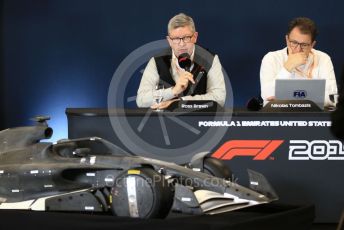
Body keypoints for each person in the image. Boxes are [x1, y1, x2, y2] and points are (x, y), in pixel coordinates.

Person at [136, 13, 226, 109]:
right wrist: (173, 91)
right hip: (164, 121)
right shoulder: (157, 61)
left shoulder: (209, 59)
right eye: (176, 39)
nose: (181, 44)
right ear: (169, 41)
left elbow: (219, 98)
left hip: (199, 119)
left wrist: (179, 102)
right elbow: (141, 100)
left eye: (186, 38)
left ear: (195, 37)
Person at [260, 17, 337, 107]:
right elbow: (266, 96)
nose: (298, 49)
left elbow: (332, 98)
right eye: (294, 42)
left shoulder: (323, 59)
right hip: (279, 116)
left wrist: (287, 99)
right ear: (287, 40)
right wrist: (288, 67)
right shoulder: (271, 58)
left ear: (312, 45)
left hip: (313, 116)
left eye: (304, 45)